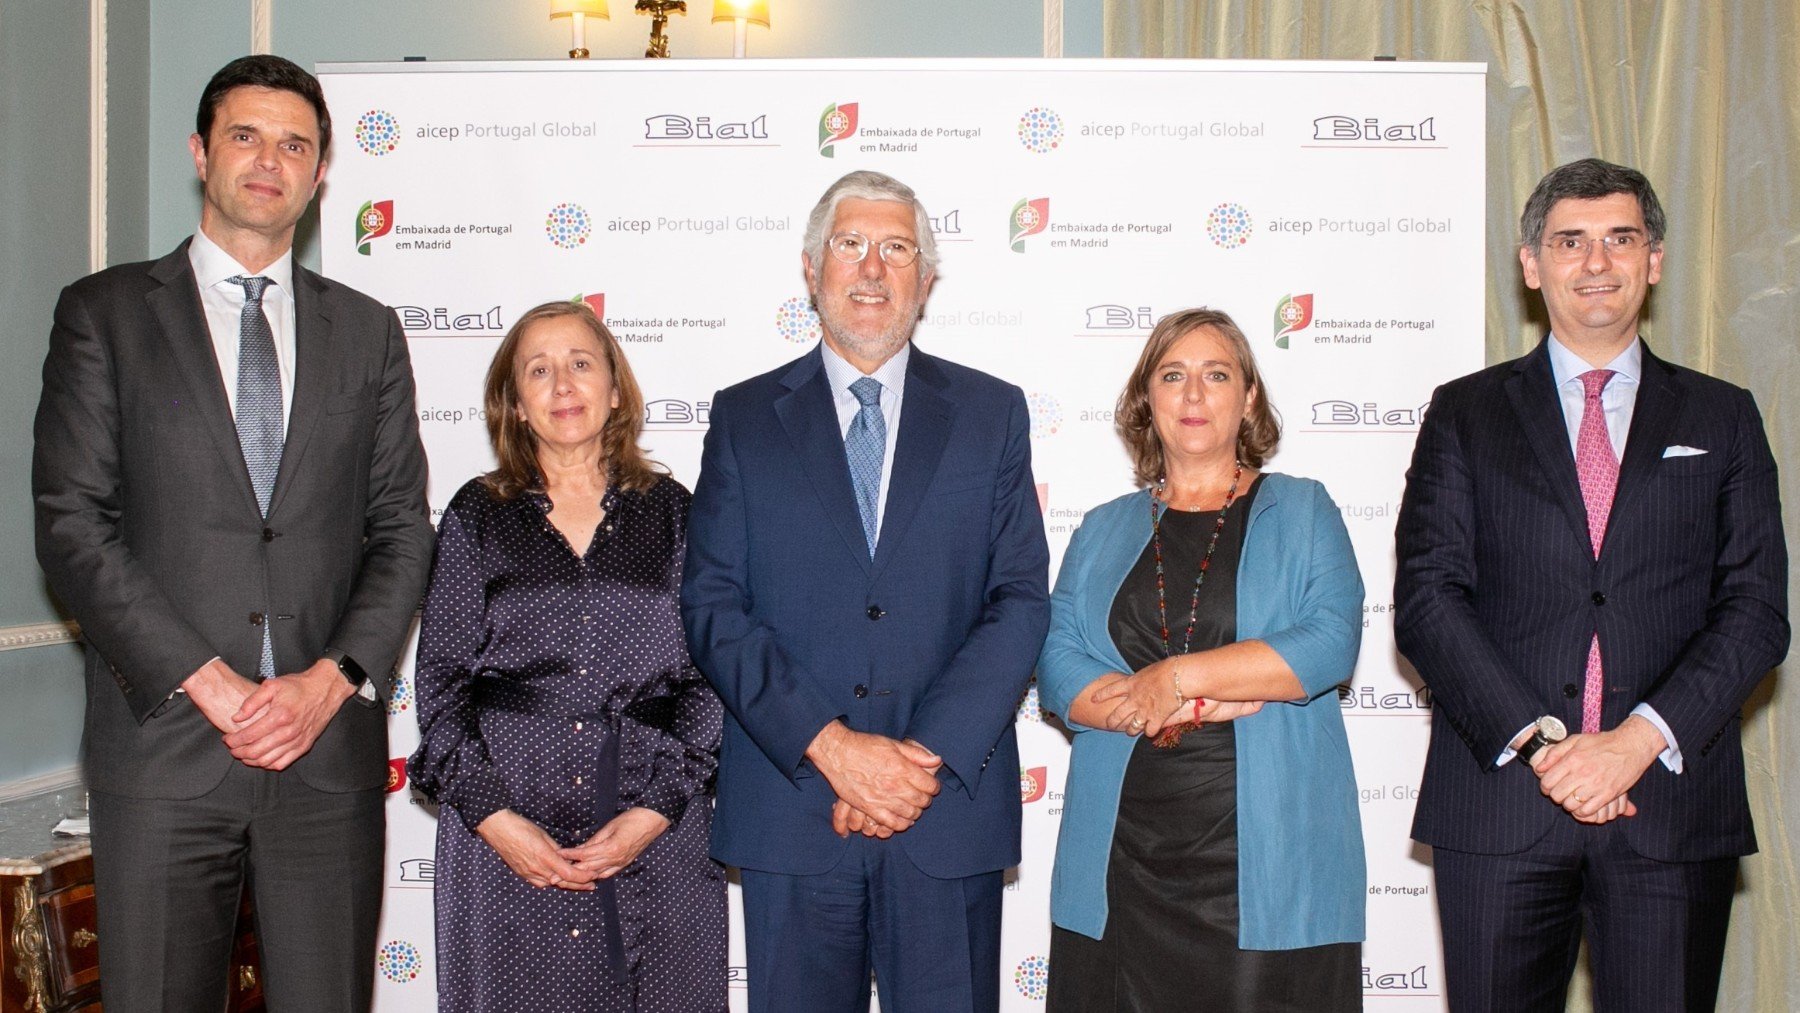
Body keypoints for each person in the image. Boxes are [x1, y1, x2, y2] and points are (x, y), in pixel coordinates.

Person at [32, 55, 433, 1010]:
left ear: (322, 171)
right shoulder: (106, 315)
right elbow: (73, 527)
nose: (269, 161)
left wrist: (327, 682)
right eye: (246, 136)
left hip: (324, 756)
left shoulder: (369, 332)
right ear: (199, 152)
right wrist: (212, 682)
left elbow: (401, 530)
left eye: (295, 144)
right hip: (165, 749)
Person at [1395, 158, 1789, 1011]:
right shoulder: (1463, 412)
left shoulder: (1723, 417)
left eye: (1621, 239)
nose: (1596, 262)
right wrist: (1545, 748)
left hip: (1670, 810)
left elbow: (1756, 612)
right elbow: (1428, 598)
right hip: (1502, 803)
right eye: (1570, 241)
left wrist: (1634, 741)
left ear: (1654, 259)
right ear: (1532, 264)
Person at [680, 170, 1050, 1013]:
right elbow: (713, 605)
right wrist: (835, 749)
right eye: (851, 245)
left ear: (926, 279)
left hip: (943, 811)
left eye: (896, 249)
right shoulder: (742, 418)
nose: (873, 269)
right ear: (812, 268)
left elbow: (1020, 597)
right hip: (793, 810)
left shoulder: (992, 414)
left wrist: (914, 763)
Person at [1036, 308, 1367, 1010]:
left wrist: (1175, 678)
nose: (1193, 394)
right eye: (1173, 375)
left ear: (1248, 396)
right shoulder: (1100, 528)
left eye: (1216, 375)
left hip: (1263, 863)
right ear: (1145, 398)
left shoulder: (1304, 510)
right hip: (1121, 859)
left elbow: (1330, 641)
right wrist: (1173, 704)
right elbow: (1060, 663)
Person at [408, 301, 726, 1012]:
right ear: (514, 403)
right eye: (539, 370)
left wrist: (655, 810)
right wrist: (495, 818)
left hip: (655, 826)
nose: (562, 385)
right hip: (509, 834)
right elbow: (440, 688)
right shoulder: (475, 514)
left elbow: (711, 678)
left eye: (581, 363)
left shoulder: (676, 512)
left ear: (615, 387)